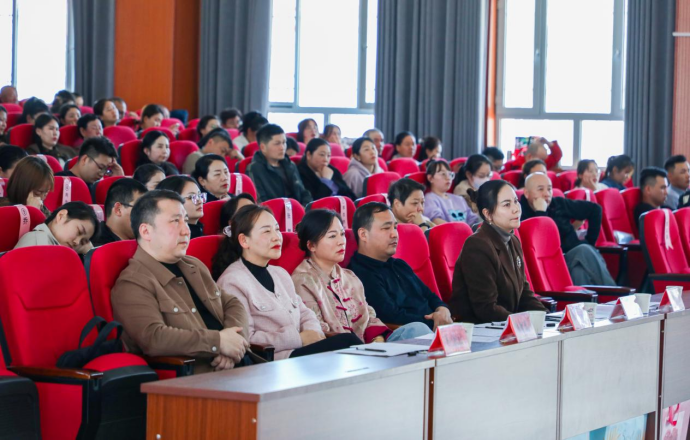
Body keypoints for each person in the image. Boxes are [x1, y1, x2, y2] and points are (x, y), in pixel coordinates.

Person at [111, 190, 252, 374]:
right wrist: (218, 342)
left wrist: (233, 342)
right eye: (175, 221)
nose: (186, 230)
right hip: (197, 378)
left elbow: (232, 303)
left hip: (237, 366)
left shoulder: (193, 265)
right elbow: (154, 338)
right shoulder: (133, 282)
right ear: (146, 231)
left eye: (185, 220)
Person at [214, 204, 361, 359]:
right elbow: (246, 338)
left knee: (350, 344)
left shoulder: (280, 274)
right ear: (244, 240)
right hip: (273, 360)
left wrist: (313, 332)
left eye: (277, 229)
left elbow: (305, 313)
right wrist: (299, 339)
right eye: (267, 231)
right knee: (348, 342)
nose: (277, 237)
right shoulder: (232, 281)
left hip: (300, 352)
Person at [292, 209, 432, 342]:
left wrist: (378, 338)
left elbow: (369, 316)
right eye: (332, 236)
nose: (341, 241)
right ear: (311, 246)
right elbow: (315, 330)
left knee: (418, 329)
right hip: (336, 349)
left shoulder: (349, 276)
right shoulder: (303, 280)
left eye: (342, 234)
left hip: (369, 346)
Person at [449, 180, 547, 323]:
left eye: (515, 201)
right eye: (507, 205)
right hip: (479, 328)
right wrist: (522, 323)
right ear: (488, 214)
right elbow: (486, 308)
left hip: (505, 324)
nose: (516, 209)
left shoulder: (513, 240)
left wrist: (546, 318)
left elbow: (524, 293)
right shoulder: (477, 245)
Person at [348, 202, 452, 329]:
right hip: (410, 334)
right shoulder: (359, 274)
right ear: (363, 234)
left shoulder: (399, 265)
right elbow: (391, 317)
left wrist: (442, 309)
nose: (394, 234)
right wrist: (435, 321)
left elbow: (429, 296)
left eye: (395, 227)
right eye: (386, 228)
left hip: (435, 328)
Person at [520, 173, 615, 286]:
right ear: (527, 193)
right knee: (584, 250)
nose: (546, 194)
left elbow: (595, 209)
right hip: (551, 263)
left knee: (579, 271)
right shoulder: (520, 214)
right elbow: (543, 247)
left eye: (549, 189)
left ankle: (586, 297)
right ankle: (614, 293)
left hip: (574, 257)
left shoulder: (558, 203)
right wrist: (541, 213)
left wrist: (590, 241)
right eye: (540, 189)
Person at [247, 124, 312, 205]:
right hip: (274, 212)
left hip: (298, 210)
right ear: (263, 147)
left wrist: (304, 208)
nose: (282, 147)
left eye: (284, 143)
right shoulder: (254, 169)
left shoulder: (290, 165)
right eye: (277, 143)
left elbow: (303, 192)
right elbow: (261, 203)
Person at [14, 201, 98, 254]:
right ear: (61, 216)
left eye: (83, 241)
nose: (77, 242)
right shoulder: (38, 243)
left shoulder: (57, 250)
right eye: (79, 231)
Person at [92, 178, 148, 246]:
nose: (146, 216)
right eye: (140, 209)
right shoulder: (99, 247)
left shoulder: (144, 243)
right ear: (118, 209)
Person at [424, 160, 478, 225]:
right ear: (430, 178)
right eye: (443, 174)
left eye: (450, 174)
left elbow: (473, 220)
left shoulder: (459, 199)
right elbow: (436, 221)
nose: (448, 178)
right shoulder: (429, 198)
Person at [56, 137, 124, 185]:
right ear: (85, 159)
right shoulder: (59, 181)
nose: (102, 174)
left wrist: (118, 180)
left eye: (106, 170)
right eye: (101, 167)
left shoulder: (95, 187)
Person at [453, 154, 492, 218]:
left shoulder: (488, 187)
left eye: (488, 175)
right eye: (481, 176)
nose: (486, 179)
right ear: (469, 175)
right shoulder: (461, 189)